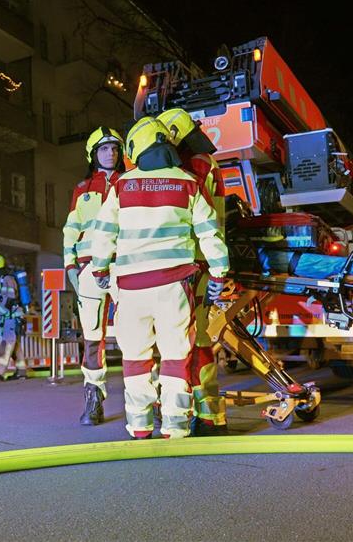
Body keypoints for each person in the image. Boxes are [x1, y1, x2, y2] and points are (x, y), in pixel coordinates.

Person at [89, 117, 229, 439]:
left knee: (136, 359)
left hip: (131, 289)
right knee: (176, 357)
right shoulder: (188, 181)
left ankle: (139, 427)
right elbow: (210, 234)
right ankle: (176, 427)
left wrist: (99, 270)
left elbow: (103, 234)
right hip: (175, 287)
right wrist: (220, 273)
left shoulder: (122, 185)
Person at [157, 107, 228, 436]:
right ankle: (207, 415)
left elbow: (187, 215)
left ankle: (194, 417)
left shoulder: (191, 166)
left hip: (190, 263)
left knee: (187, 341)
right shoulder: (207, 162)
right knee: (195, 339)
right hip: (203, 262)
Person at [62, 126, 125, 425]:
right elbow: (71, 229)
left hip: (123, 266)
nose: (110, 153)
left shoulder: (131, 182)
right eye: (103, 149)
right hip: (88, 269)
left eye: (114, 148)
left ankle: (149, 399)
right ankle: (93, 397)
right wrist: (70, 266)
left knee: (138, 334)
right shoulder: (83, 188)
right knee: (92, 338)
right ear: (93, 154)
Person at [0, 254, 28, 381]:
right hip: (9, 316)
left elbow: (9, 298)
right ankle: (21, 371)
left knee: (8, 342)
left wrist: (0, 311)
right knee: (15, 344)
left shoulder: (6, 279)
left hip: (11, 316)